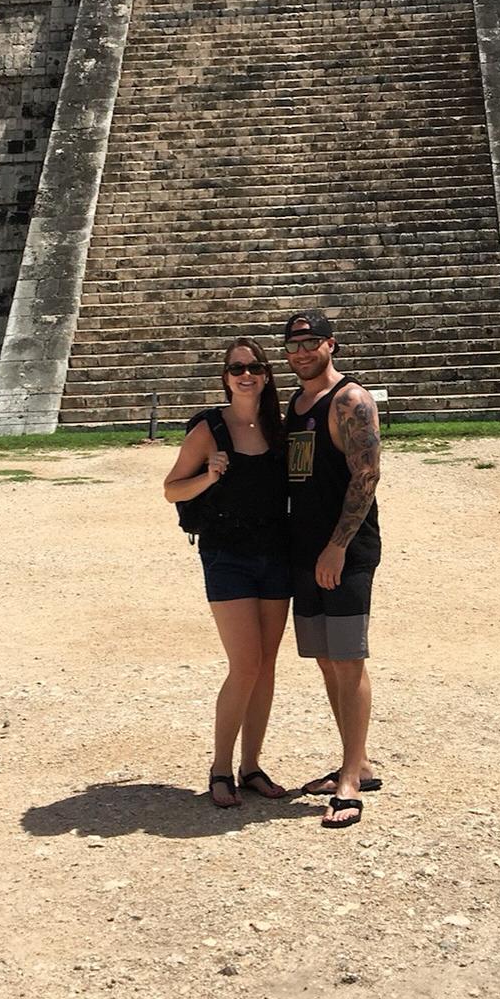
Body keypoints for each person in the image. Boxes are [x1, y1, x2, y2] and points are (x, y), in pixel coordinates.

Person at [163, 338, 291, 810]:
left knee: (266, 668)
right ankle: (220, 767)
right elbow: (171, 490)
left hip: (276, 554)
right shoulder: (209, 428)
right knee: (246, 665)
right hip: (227, 557)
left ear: (265, 374)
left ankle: (251, 765)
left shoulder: (281, 426)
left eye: (255, 366)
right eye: (237, 367)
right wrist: (209, 476)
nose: (246, 374)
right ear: (226, 375)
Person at [283, 311, 382, 831]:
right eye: (293, 344)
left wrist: (337, 547)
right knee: (324, 657)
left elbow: (366, 475)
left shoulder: (350, 400)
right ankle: (358, 759)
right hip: (305, 549)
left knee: (348, 658)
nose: (301, 351)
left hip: (343, 551)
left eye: (309, 341)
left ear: (330, 344)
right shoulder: (296, 405)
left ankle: (349, 780)